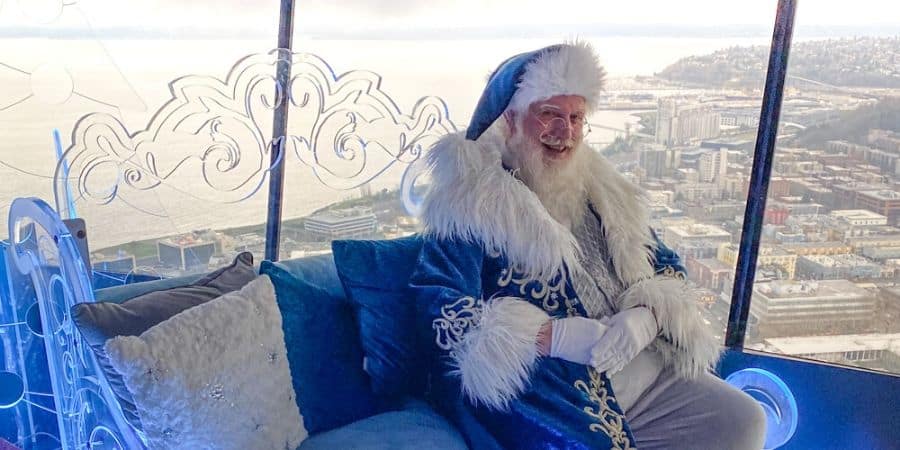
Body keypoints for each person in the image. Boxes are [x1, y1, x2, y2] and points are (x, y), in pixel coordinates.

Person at [409, 42, 767, 450]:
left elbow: (665, 264)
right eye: (549, 115)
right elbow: (437, 302)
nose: (566, 133)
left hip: (641, 364)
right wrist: (551, 336)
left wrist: (647, 315)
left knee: (743, 419)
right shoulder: (470, 202)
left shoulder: (601, 186)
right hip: (558, 385)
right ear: (510, 119)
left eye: (577, 118)